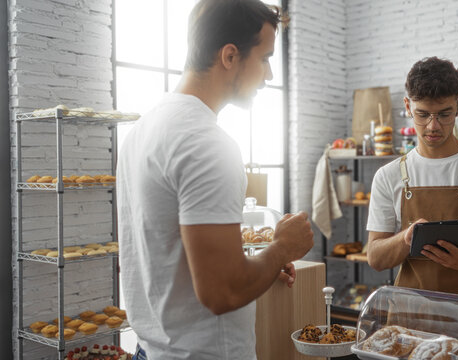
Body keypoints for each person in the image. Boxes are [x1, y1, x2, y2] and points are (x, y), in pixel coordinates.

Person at [116, 1, 314, 359]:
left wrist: (263, 263)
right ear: (229, 56)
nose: (269, 76)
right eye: (266, 58)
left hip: (151, 350)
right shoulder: (206, 144)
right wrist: (283, 247)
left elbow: (172, 251)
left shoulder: (142, 131)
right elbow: (222, 292)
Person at [366, 57, 458, 297]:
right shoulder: (388, 175)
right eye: (422, 114)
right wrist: (405, 240)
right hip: (408, 321)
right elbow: (375, 257)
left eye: (444, 114)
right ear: (407, 106)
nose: (433, 126)